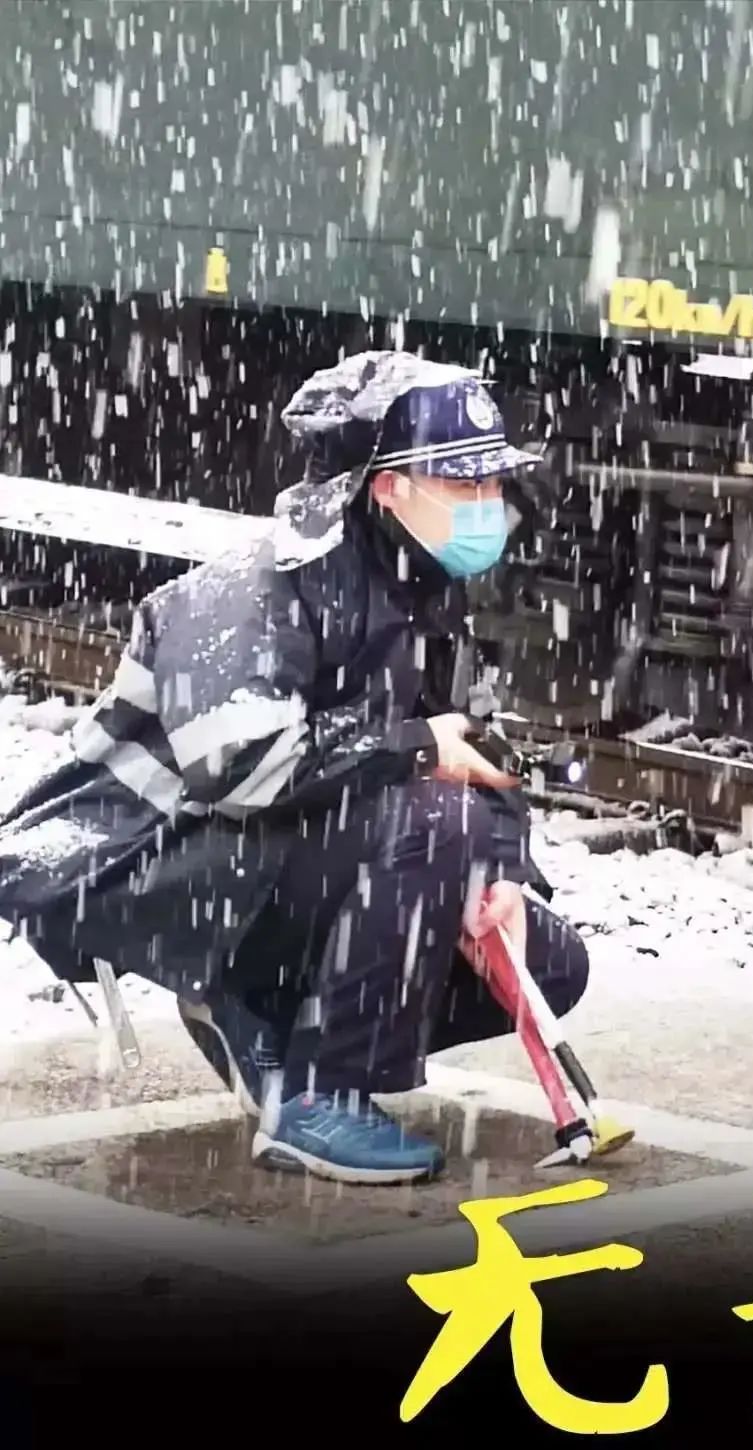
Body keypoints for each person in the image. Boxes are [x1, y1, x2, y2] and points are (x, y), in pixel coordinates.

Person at [0, 350, 590, 1185]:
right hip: (145, 861)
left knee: (548, 966)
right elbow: (238, 770)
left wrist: (498, 877)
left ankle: (265, 1012)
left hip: (266, 860)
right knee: (435, 818)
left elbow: (471, 758)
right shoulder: (258, 585)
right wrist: (416, 749)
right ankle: (316, 1096)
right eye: (465, 484)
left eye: (494, 484)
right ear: (389, 487)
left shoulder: (418, 586)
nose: (489, 504)